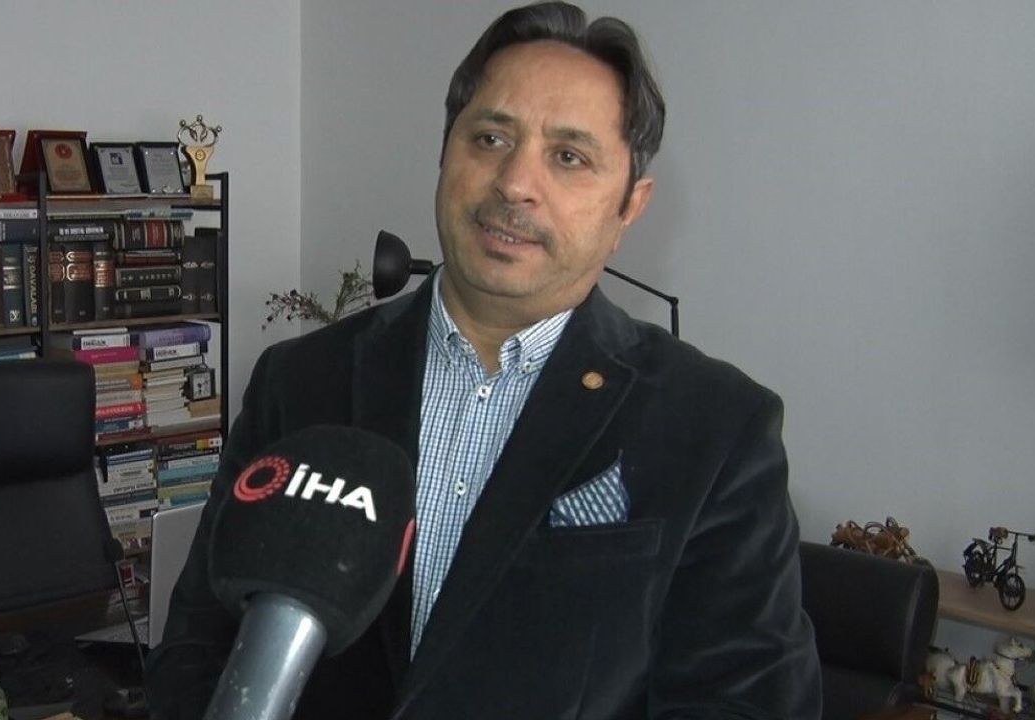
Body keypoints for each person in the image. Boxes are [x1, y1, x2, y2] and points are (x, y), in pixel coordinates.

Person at [147, 3, 822, 718]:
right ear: (446, 153)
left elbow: (749, 704)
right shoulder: (300, 380)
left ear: (629, 206)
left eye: (569, 157)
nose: (514, 183)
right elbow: (198, 648)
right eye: (491, 138)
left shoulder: (716, 429)